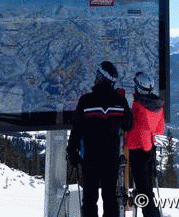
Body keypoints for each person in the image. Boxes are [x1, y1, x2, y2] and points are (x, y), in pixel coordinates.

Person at [67, 61, 132, 217]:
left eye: (97, 75)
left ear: (101, 78)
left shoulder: (86, 100)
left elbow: (77, 129)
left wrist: (72, 151)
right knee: (110, 198)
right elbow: (128, 125)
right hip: (111, 158)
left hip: (90, 158)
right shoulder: (120, 101)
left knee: (89, 199)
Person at [126, 72, 165, 217]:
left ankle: (151, 214)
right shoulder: (157, 105)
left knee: (143, 192)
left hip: (139, 151)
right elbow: (160, 129)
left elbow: (142, 130)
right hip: (150, 150)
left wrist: (146, 147)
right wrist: (150, 146)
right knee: (148, 189)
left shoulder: (138, 107)